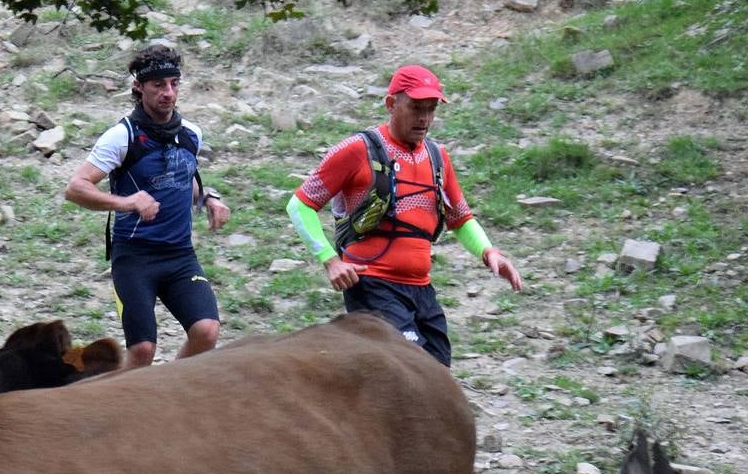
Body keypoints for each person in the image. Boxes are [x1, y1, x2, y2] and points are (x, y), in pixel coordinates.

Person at [286, 64, 522, 367]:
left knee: (436, 376)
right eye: (415, 107)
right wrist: (330, 260)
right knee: (412, 372)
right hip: (372, 286)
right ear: (391, 104)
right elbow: (300, 205)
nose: (424, 118)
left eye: (431, 109)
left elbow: (460, 218)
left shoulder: (438, 157)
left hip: (422, 289)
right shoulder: (357, 149)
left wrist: (488, 252)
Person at [65, 44, 231, 368]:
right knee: (142, 351)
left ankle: (168, 393)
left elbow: (182, 178)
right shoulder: (121, 137)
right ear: (139, 87)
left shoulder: (190, 134)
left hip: (180, 254)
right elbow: (75, 189)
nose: (168, 93)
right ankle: (126, 409)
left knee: (207, 331)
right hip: (134, 258)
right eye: (159, 85)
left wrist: (207, 197)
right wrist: (127, 202)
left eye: (174, 83)